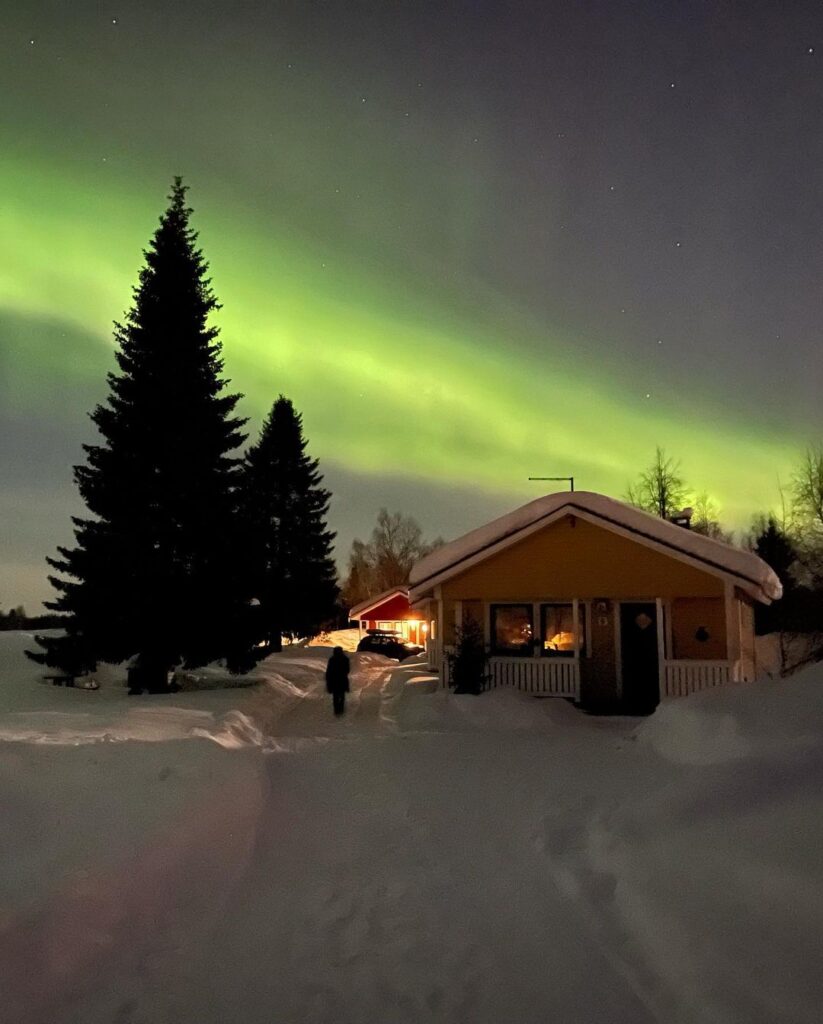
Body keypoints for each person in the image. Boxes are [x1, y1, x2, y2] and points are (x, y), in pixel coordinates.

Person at [325, 646, 350, 716]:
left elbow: (329, 671)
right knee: (342, 695)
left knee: (335, 696)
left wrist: (328, 680)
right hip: (342, 680)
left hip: (334, 680)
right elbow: (347, 670)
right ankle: (341, 709)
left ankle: (336, 710)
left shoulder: (332, 659)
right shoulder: (345, 659)